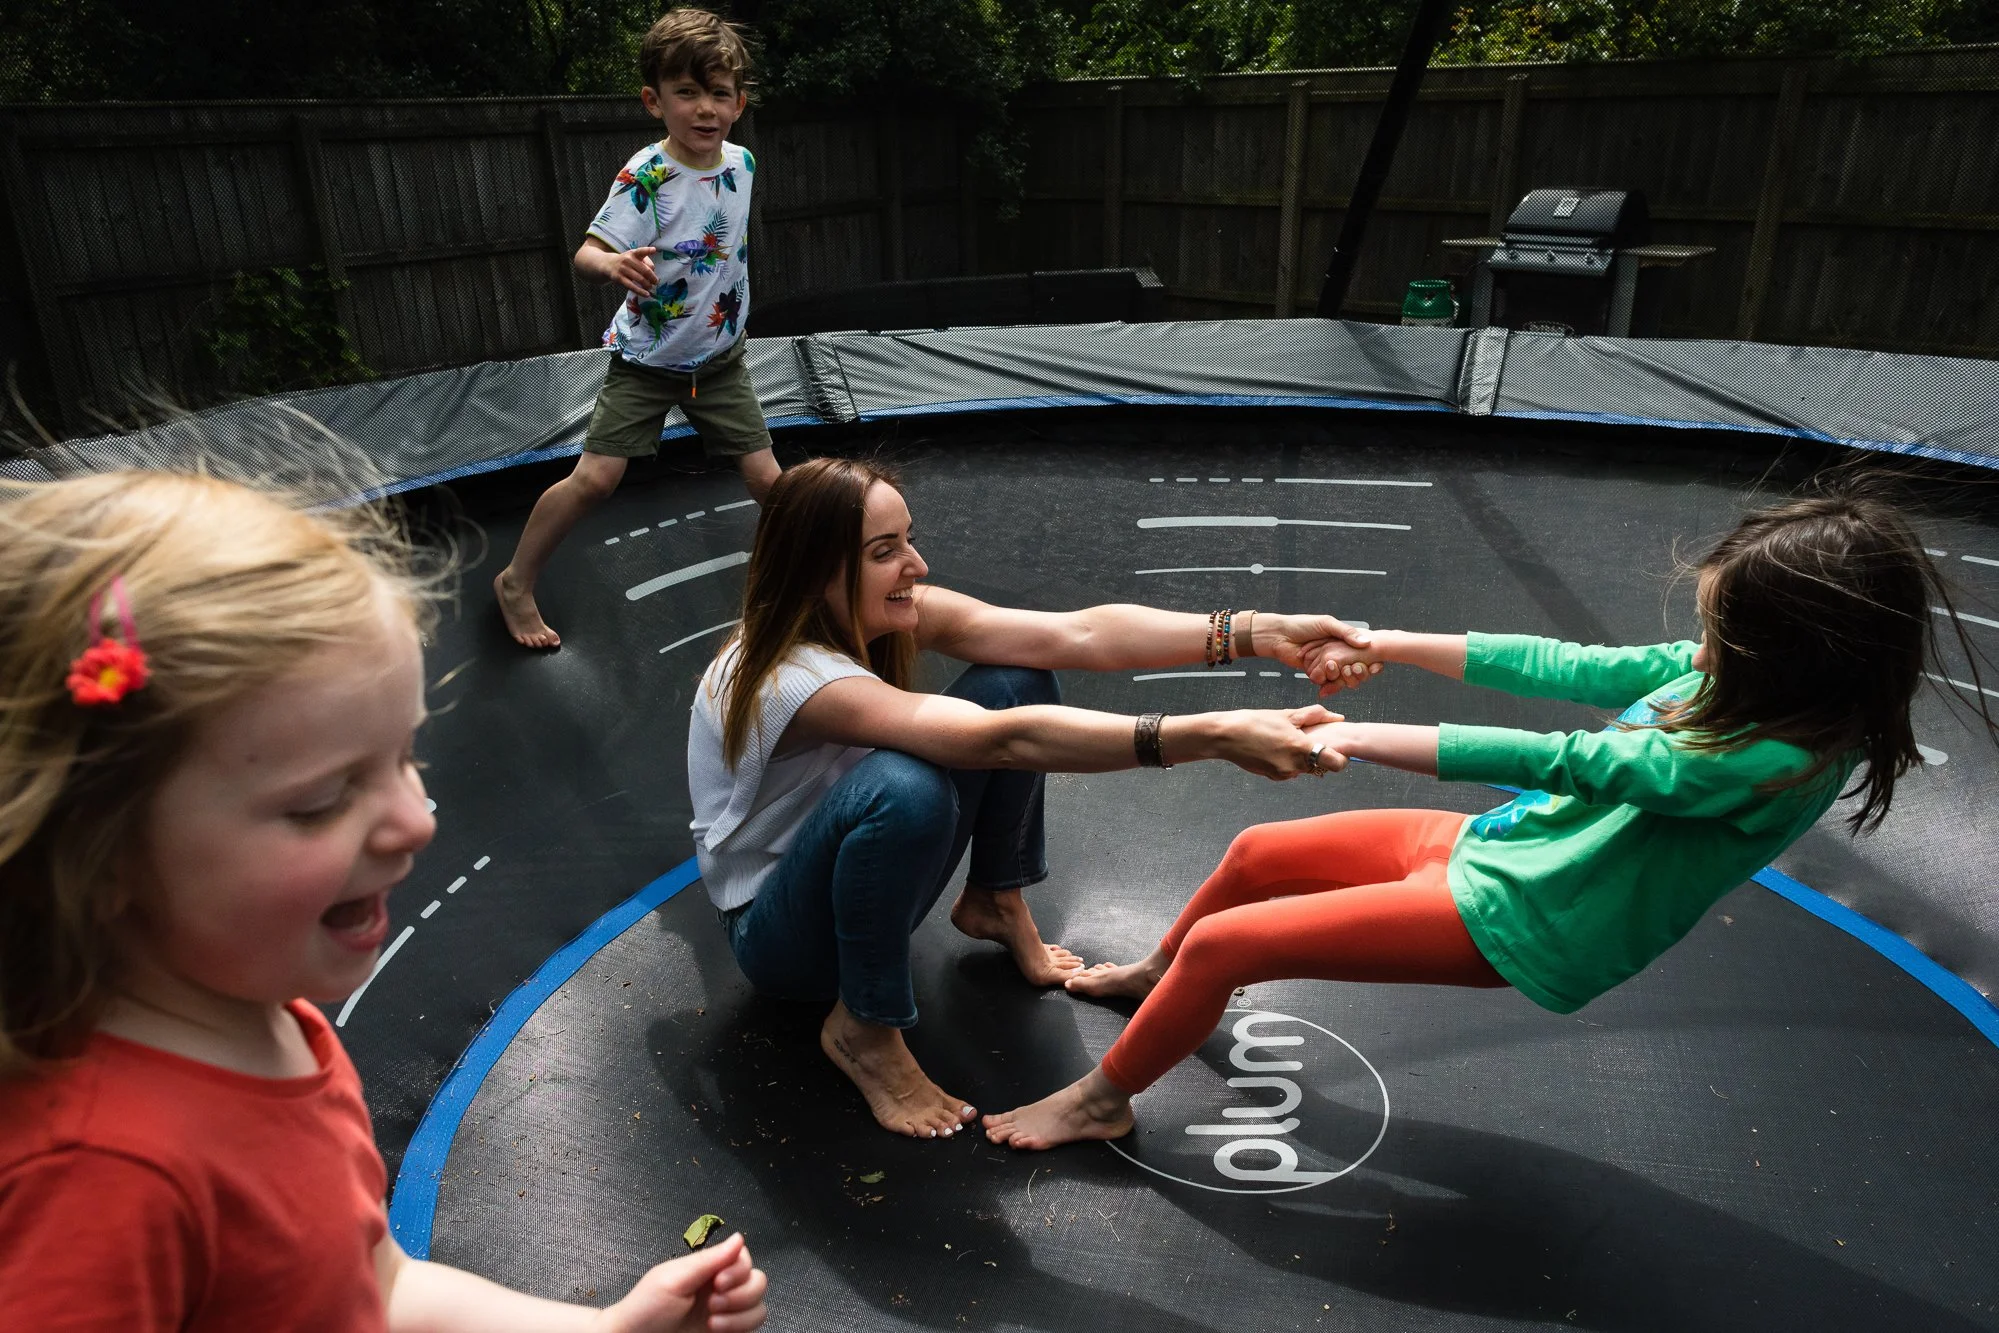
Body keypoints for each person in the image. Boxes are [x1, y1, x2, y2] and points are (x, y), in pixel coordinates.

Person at [984, 491, 1999, 1150]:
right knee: (1258, 854)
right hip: (1510, 847)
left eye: (1719, 630)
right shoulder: (1723, 677)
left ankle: (1101, 1100)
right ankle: (1156, 982)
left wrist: (1353, 735)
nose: (1696, 644)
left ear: (1796, 653)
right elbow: (1568, 667)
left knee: (1228, 942)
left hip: (1528, 917)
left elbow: (1574, 760)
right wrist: (1381, 640)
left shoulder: (1772, 758)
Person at [0, 471, 768, 1332]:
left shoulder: (269, 1024)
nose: (414, 820)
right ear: (91, 851)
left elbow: (371, 1281)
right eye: (322, 798)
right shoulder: (98, 1180)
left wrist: (599, 1328)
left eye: (405, 758)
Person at [687, 456, 1376, 1140]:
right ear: (816, 570)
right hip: (782, 940)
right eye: (884, 551)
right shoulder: (790, 679)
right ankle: (862, 1029)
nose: (916, 566)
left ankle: (994, 899)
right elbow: (998, 741)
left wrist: (1254, 631)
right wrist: (1216, 733)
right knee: (906, 788)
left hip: (849, 885)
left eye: (908, 539)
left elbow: (1071, 633)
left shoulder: (869, 616)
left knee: (1018, 673)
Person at [496, 8, 780, 650]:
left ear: (739, 101)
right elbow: (586, 254)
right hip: (648, 365)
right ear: (655, 101)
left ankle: (820, 579)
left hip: (719, 362)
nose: (705, 109)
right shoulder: (646, 177)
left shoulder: (742, 164)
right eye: (687, 93)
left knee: (771, 482)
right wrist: (614, 263)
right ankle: (515, 581)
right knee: (597, 479)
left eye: (719, 94)